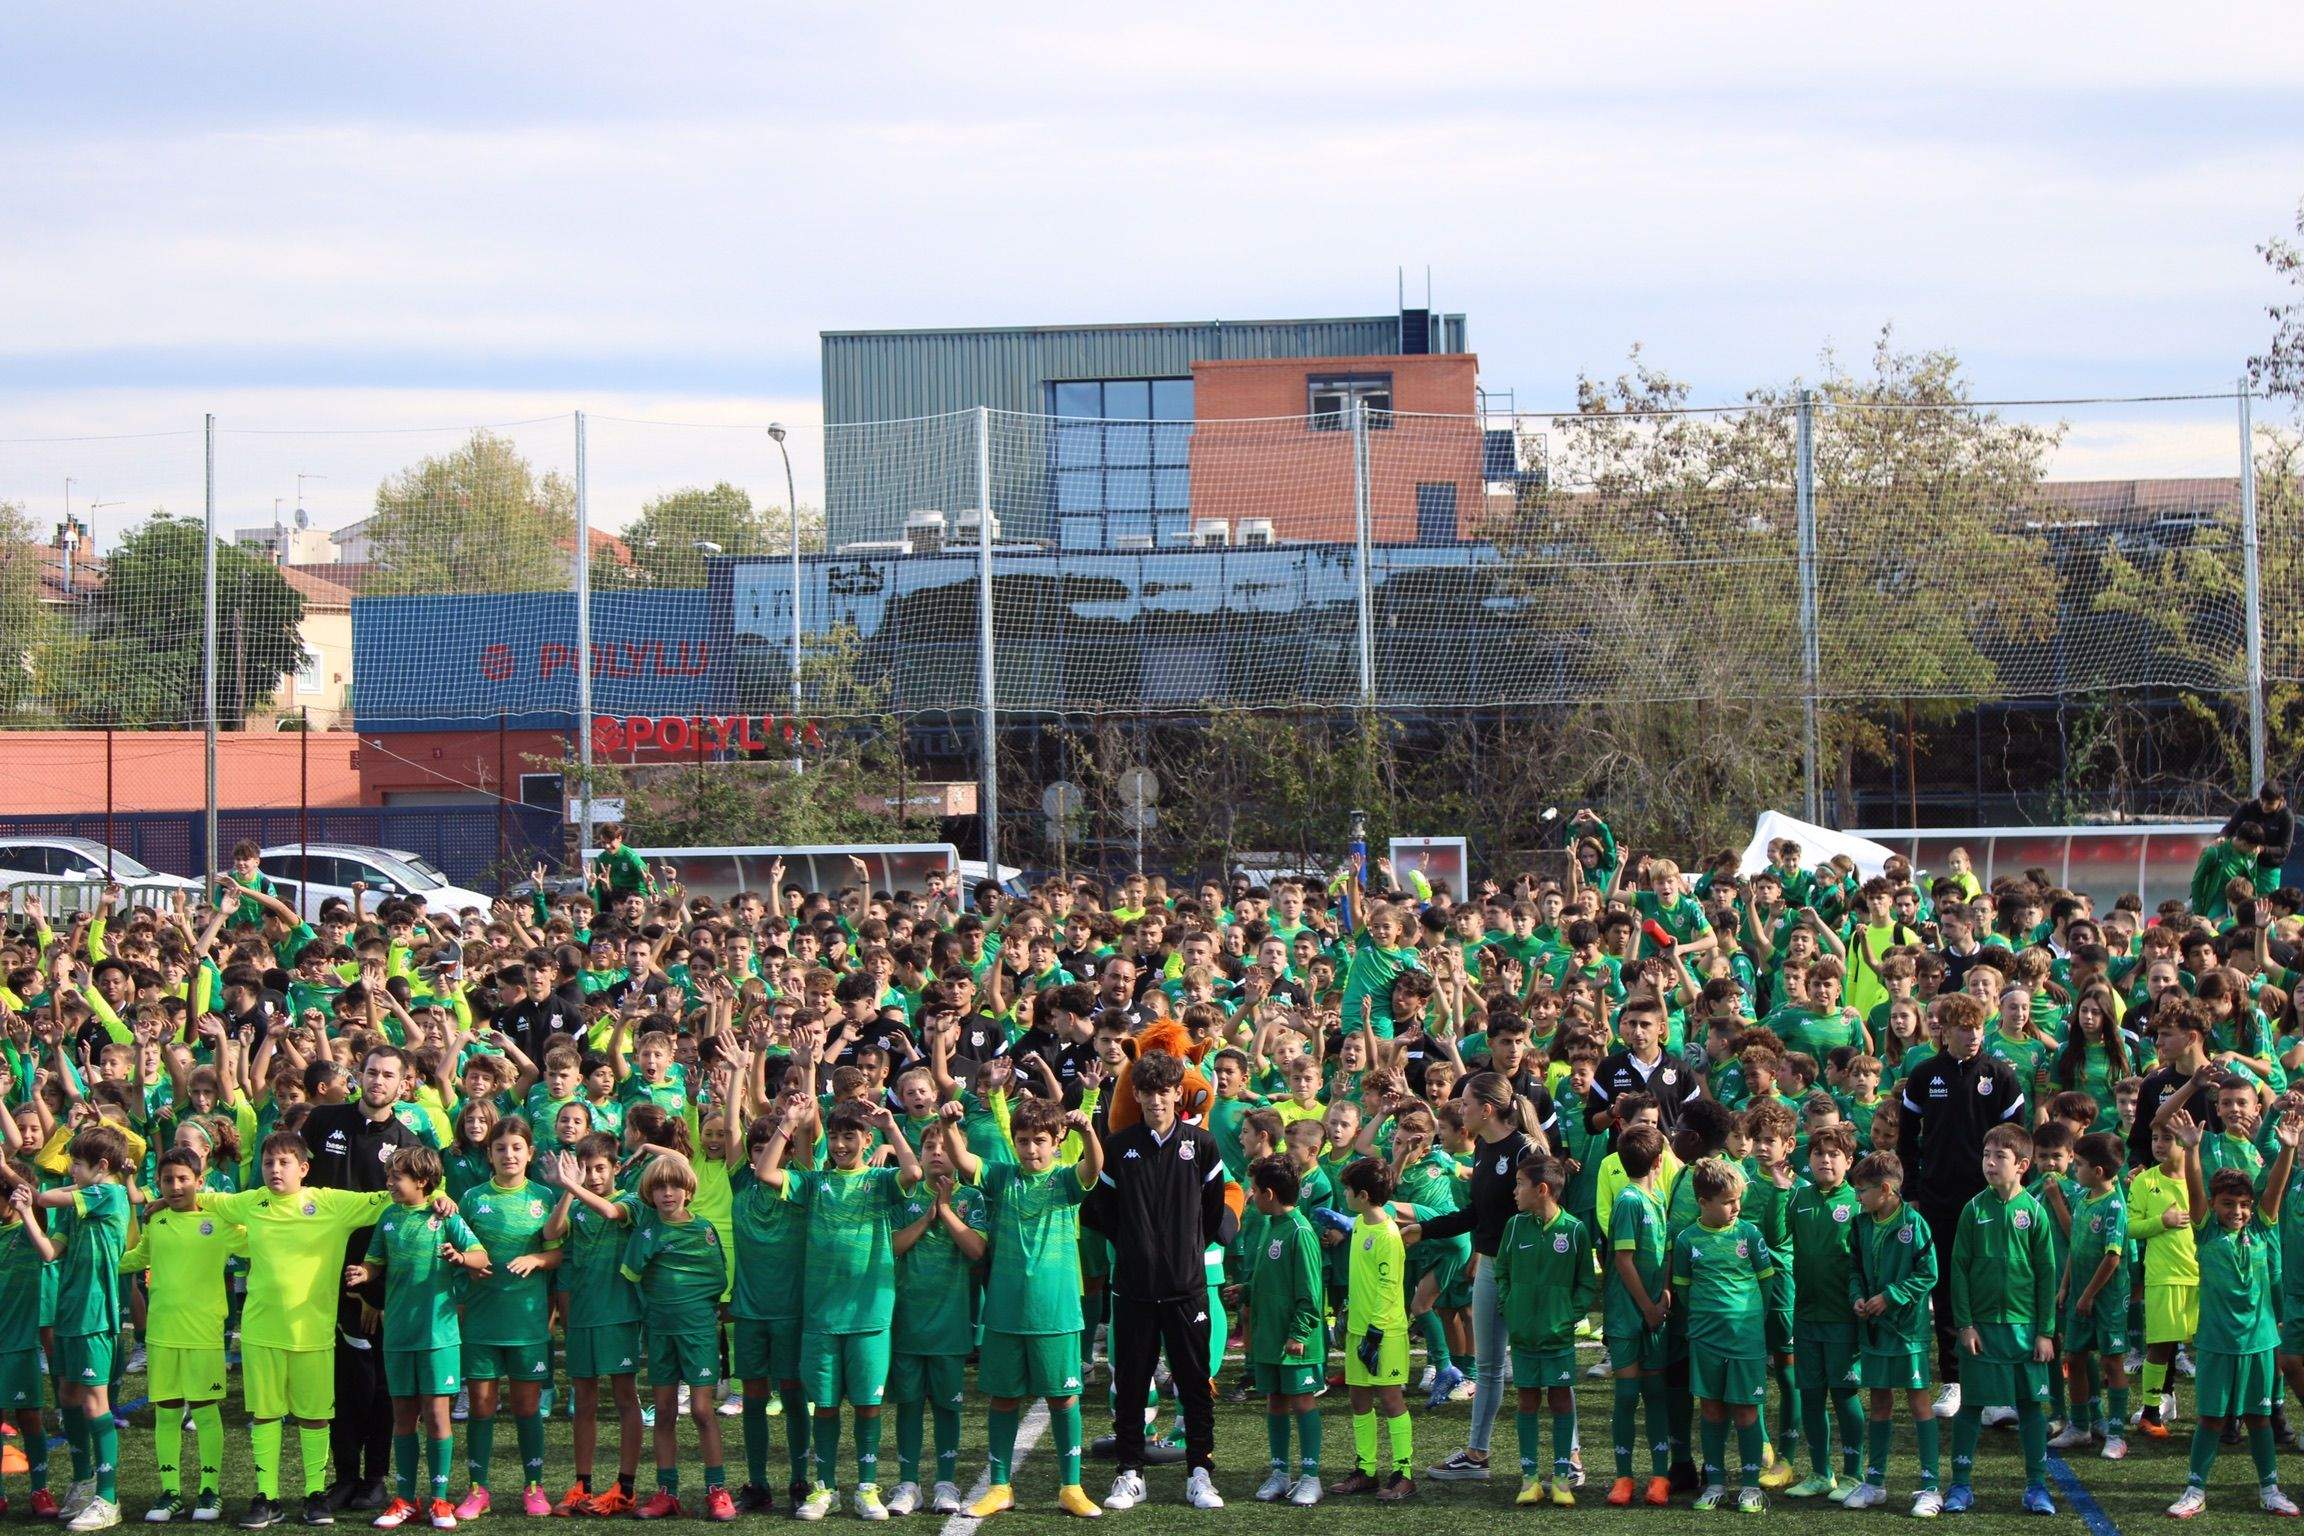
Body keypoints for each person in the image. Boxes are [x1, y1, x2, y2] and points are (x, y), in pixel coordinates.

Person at [198, 1131, 416, 1529]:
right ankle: (267, 1497)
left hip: (313, 1334)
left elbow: (391, 1198)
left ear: (303, 1168)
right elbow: (205, 1200)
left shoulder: (329, 1203)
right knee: (266, 1415)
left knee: (314, 1417)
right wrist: (162, 1200)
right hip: (261, 1331)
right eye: (268, 1162)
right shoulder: (251, 1202)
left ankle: (315, 1494)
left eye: (284, 1163)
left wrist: (439, 1197)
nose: (274, 1169)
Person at [760, 1093, 924, 1522]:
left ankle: (867, 1487)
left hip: (870, 1316)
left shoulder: (880, 1181)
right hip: (822, 1317)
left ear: (866, 1140)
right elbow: (765, 1172)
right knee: (827, 1405)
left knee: (868, 1406)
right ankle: (825, 1487)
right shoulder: (815, 1183)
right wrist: (788, 1123)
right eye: (833, 1137)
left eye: (849, 1136)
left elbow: (913, 1172)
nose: (839, 1145)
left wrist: (892, 1128)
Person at [945, 1093, 1101, 1520]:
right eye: (1023, 1140)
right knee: (1003, 1399)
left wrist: (1089, 1132)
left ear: (1057, 1141)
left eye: (1040, 1140)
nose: (1031, 1149)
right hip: (1006, 1312)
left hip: (1057, 1312)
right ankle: (999, 1487)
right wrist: (949, 1124)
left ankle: (1071, 1487)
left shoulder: (1065, 1180)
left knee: (1063, 1400)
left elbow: (1093, 1169)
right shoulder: (1001, 1177)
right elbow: (963, 1160)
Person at [1088, 1050, 1231, 1512]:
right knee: (1132, 1384)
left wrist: (1183, 1251)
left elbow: (1213, 1213)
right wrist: (1137, 1248)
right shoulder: (1118, 1146)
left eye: (1164, 1092)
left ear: (1177, 1094)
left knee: (1194, 1383)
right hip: (1133, 1289)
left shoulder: (1202, 1145)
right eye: (1147, 1092)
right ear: (1136, 1094)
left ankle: (1199, 1473)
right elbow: (1104, 1213)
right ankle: (1130, 1473)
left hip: (1187, 1288)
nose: (1156, 1100)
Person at [301, 1046, 431, 1513]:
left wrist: (376, 1291)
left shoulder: (409, 1144)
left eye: (388, 1075)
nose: (378, 1081)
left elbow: (409, 1217)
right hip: (317, 1276)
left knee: (376, 1384)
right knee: (335, 1383)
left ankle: (374, 1477)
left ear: (404, 1084)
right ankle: (343, 1477)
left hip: (373, 1281)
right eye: (372, 1072)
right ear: (359, 1074)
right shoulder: (322, 1121)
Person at [2165, 1106, 2302, 1517]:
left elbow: (2274, 1189)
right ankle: (2195, 1490)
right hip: (2216, 1342)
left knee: (2260, 1418)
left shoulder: (2260, 1227)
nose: (2237, 1211)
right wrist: (2192, 1150)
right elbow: (2194, 1191)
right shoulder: (2206, 1231)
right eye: (2228, 1203)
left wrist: (2287, 1150)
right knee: (2210, 1419)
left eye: (2243, 1204)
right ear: (2214, 1204)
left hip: (2260, 1342)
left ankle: (2270, 1489)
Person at [1895, 992, 2026, 1412]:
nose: (1973, 1036)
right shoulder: (1923, 1075)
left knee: (1992, 1284)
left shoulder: (2000, 1076)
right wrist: (1912, 1192)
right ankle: (1954, 1380)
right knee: (1948, 1286)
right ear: (1944, 1030)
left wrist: (2011, 1191)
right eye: (1964, 1029)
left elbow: (2018, 1142)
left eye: (1978, 1028)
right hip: (1938, 1199)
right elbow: (1906, 1142)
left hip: (1990, 1200)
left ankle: (1994, 1384)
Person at [1413, 1072, 1545, 1483]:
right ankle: (1476, 1454)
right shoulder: (1484, 1149)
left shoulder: (1526, 1150)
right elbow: (1476, 1214)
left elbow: (1545, 1216)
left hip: (1524, 1271)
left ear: (1487, 1110)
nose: (1459, 1109)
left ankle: (1570, 1457)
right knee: (1487, 1366)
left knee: (1542, 1366)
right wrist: (1425, 1229)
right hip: (1490, 1265)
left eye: (1467, 1103)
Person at [345, 1145, 485, 1531]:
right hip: (398, 1335)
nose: (389, 1183)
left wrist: (460, 1258)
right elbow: (376, 1261)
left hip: (438, 1335)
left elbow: (481, 1257)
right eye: (388, 1176)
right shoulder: (389, 1217)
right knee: (403, 1417)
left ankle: (440, 1499)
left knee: (437, 1416)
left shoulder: (444, 1215)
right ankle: (406, 1499)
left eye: (397, 1177)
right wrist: (365, 1273)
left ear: (422, 1181)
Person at [120, 1145, 247, 1525]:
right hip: (162, 1335)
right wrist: (98, 1260)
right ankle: (170, 1491)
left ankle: (210, 1489)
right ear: (158, 1183)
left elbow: (254, 1236)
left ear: (199, 1181)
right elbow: (137, 1257)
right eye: (167, 1180)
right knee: (167, 1413)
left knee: (205, 1412)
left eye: (182, 1179)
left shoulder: (219, 1221)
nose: (175, 1187)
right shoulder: (156, 1222)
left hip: (203, 1336)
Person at [451, 1117, 561, 1521]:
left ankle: (534, 1486)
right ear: (489, 1154)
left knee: (526, 1405)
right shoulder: (472, 1198)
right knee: (481, 1406)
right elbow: (456, 1250)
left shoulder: (544, 1197)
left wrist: (537, 1259)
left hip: (526, 1322)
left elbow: (560, 1252)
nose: (509, 1155)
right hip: (481, 1319)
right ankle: (477, 1489)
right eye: (501, 1148)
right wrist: (467, 1267)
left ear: (530, 1153)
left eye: (517, 1148)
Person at [1944, 1123, 2057, 1516]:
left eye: (1999, 1157)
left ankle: (2036, 1487)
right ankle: (1960, 1485)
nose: (1989, 1163)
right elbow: (1959, 1269)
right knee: (1971, 1406)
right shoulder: (1973, 1209)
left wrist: (2045, 1332)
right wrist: (1965, 1324)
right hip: (1982, 1330)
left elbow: (2047, 1274)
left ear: (2022, 1165)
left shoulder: (2035, 1213)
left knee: (2030, 1407)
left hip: (2025, 1329)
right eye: (1986, 1155)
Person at [618, 1153, 736, 1522]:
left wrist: (699, 1308)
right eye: (659, 1188)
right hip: (660, 1331)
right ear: (649, 1194)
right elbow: (631, 1276)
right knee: (665, 1411)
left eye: (675, 1186)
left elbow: (716, 1278)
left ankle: (717, 1490)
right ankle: (667, 1492)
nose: (668, 1193)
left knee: (701, 1410)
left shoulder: (704, 1230)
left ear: (688, 1190)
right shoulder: (647, 1232)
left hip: (698, 1331)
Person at [884, 1124, 986, 1518]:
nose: (937, 1152)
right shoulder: (904, 1195)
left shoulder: (971, 1198)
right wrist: (928, 1216)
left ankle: (946, 1481)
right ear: (920, 1154)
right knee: (908, 1403)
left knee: (948, 1405)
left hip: (951, 1323)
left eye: (945, 1147)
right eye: (929, 1146)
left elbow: (977, 1250)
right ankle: (908, 1483)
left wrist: (945, 1211)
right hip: (907, 1321)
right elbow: (892, 1246)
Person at [38, 1126, 133, 1532]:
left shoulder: (108, 1193)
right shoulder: (79, 1200)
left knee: (95, 1403)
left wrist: (7, 1171)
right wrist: (24, 1212)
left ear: (102, 1166)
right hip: (70, 1309)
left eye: (77, 1163)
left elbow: (46, 1196)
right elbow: (50, 1250)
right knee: (68, 1395)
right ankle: (83, 1480)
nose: (71, 1170)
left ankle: (108, 1499)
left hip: (96, 1312)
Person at [541, 1140, 643, 1516]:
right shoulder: (577, 1203)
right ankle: (582, 1486)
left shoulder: (631, 1200)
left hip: (619, 1314)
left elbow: (611, 1213)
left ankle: (625, 1487)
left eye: (600, 1168)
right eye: (586, 1169)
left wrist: (571, 1184)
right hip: (582, 1315)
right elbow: (551, 1232)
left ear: (616, 1168)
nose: (594, 1176)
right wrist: (569, 1191)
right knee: (583, 1401)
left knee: (625, 1398)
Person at [1843, 1151, 1944, 1515]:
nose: (1858, 1198)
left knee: (1918, 1401)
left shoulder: (1914, 1224)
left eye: (1862, 1191)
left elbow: (1928, 1274)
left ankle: (1931, 1486)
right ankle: (1875, 1483)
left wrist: (1890, 1296)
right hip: (1874, 1331)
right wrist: (1857, 1296)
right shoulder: (1860, 1224)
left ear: (1885, 1189)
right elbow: (1854, 1269)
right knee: (1880, 1401)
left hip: (1907, 1332)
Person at [1671, 1156, 1774, 1513]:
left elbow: (1766, 1283)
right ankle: (1715, 1483)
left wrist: (1750, 1320)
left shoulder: (1749, 1234)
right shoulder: (1687, 1239)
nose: (1736, 1207)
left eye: (1738, 1199)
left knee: (1746, 1412)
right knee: (1712, 1409)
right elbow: (1683, 1290)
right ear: (1703, 1202)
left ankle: (1750, 1486)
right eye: (1728, 1201)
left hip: (1746, 1339)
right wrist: (1707, 1319)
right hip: (1706, 1339)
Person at [1493, 1154, 1596, 1507]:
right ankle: (1529, 1479)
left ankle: (1562, 1478)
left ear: (1542, 1189)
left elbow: (1586, 1283)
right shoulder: (1514, 1227)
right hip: (1524, 1335)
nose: (1514, 1191)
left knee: (1561, 1399)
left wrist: (1567, 1316)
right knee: (1527, 1400)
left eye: (1520, 1184)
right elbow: (1502, 1271)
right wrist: (1510, 1306)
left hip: (1557, 1336)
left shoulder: (1575, 1230)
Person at [1235, 1157, 1325, 1508]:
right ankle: (1280, 1472)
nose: (1251, 1195)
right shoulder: (1271, 1225)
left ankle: (1311, 1476)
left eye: (1254, 1190)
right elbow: (1273, 1279)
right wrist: (1246, 1290)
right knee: (1275, 1400)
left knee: (1302, 1401)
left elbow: (1310, 1293)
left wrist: (1299, 1334)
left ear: (1269, 1194)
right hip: (1269, 1337)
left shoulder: (1300, 1232)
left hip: (1294, 1340)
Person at [1784, 1121, 1865, 1500]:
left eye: (1834, 1154)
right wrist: (1777, 1189)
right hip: (1806, 1314)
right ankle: (1820, 1473)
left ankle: (1853, 1474)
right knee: (1812, 1396)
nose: (1825, 1160)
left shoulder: (1857, 1203)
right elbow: (1777, 1236)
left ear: (1849, 1161)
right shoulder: (1798, 1198)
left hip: (1843, 1318)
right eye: (1818, 1154)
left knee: (1845, 1395)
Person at [1601, 1122, 1675, 1507]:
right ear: (1659, 1161)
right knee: (1628, 1394)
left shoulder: (1657, 1198)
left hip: (1654, 1312)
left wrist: (1665, 1293)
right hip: (1628, 1314)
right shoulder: (1629, 1201)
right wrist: (1648, 1306)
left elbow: (1665, 1253)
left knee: (1656, 1393)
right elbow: (1623, 1260)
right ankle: (1623, 1476)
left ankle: (1660, 1476)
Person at [2049, 1132, 2134, 1461]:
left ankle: (2116, 1434)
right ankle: (2080, 1426)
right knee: (2074, 1357)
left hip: (2106, 1300)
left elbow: (2112, 1258)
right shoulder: (2084, 1199)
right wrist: (2065, 1285)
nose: (2075, 1169)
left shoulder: (2114, 1206)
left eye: (2080, 1164)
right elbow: (2077, 1246)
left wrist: (2087, 1296)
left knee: (2112, 1361)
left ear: (2098, 1171)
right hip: (2079, 1294)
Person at [1337, 1157, 1416, 1502]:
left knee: (1390, 1398)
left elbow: (1389, 1285)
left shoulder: (1387, 1235)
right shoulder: (1359, 1224)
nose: (1344, 1194)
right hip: (1359, 1328)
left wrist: (1375, 1332)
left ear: (1364, 1195)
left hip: (1384, 1333)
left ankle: (1404, 1472)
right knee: (1358, 1397)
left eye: (1348, 1190)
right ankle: (1366, 1469)